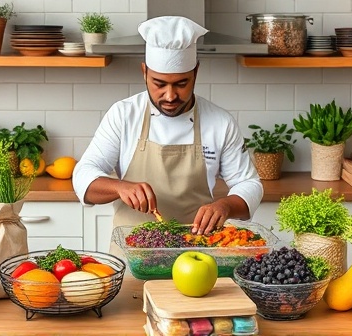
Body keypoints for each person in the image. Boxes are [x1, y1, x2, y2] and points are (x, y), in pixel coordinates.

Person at [73, 16, 263, 255]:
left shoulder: (220, 122)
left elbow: (249, 184)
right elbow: (83, 176)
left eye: (181, 84)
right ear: (144, 72)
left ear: (196, 72)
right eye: (159, 84)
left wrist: (225, 205)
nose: (170, 96)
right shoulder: (123, 115)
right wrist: (119, 188)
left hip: (197, 255)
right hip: (134, 258)